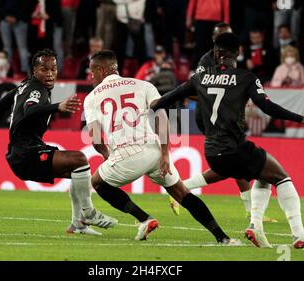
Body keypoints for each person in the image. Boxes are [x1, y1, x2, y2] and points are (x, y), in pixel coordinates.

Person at [151, 33, 304, 249]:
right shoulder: (246, 77)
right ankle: (300, 234)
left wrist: (146, 109)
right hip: (235, 148)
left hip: (212, 152)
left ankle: (256, 227)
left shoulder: (199, 79)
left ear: (216, 53)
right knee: (282, 178)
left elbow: (166, 99)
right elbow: (267, 107)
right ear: (238, 53)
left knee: (264, 176)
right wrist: (301, 118)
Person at [83, 50, 240, 245]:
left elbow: (96, 139)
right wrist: (165, 153)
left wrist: (107, 155)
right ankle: (222, 237)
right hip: (155, 150)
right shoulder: (143, 85)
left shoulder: (91, 98)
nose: (91, 76)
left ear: (100, 69)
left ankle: (144, 219)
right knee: (182, 193)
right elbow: (161, 117)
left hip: (127, 152)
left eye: (92, 71)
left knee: (97, 182)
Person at [0, 49, 117, 235]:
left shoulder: (23, 86)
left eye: (53, 69)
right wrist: (58, 107)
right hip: (27, 154)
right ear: (34, 71)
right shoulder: (35, 90)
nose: (49, 74)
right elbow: (30, 110)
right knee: (79, 159)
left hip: (23, 153)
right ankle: (88, 213)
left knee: (79, 173)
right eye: (43, 69)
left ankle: (77, 225)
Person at [179, 22, 276, 223]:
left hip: (226, 117)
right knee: (233, 159)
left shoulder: (229, 58)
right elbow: (195, 91)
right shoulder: (207, 62)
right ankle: (183, 188)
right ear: (214, 40)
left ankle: (184, 187)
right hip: (212, 117)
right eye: (221, 37)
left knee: (232, 162)